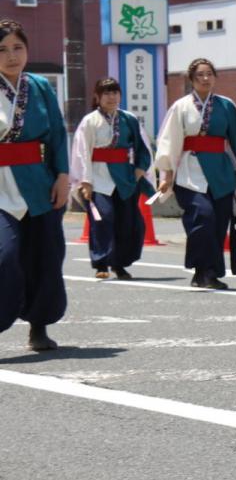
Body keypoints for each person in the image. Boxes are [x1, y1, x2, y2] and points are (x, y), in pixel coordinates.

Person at [155, 59, 236, 290]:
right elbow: (168, 141)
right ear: (191, 79)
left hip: (220, 171)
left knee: (220, 223)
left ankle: (208, 273)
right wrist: (166, 173)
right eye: (200, 75)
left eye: (209, 74)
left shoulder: (226, 105)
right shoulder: (180, 106)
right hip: (189, 171)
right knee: (203, 216)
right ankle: (201, 269)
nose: (205, 78)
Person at [0, 20, 69, 352]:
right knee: (5, 255)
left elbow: (56, 133)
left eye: (17, 47)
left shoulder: (40, 86)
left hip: (37, 182)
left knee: (45, 255)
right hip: (1, 187)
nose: (11, 56)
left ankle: (38, 327)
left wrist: (63, 176)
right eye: (2, 49)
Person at [69, 78, 154, 280]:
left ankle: (120, 263)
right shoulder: (90, 121)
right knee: (103, 218)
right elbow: (82, 152)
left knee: (128, 222)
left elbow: (143, 146)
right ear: (97, 97)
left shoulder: (129, 119)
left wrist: (140, 168)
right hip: (98, 178)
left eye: (115, 92)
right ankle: (101, 263)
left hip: (125, 178)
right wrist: (85, 181)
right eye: (106, 93)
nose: (111, 97)